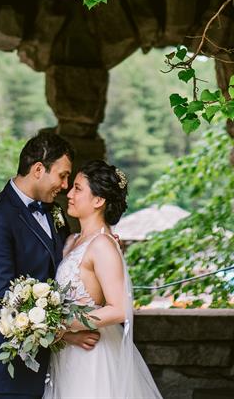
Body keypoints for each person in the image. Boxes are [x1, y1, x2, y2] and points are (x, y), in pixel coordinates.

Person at [0, 131, 100, 399]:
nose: (66, 185)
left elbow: (65, 261)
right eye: (62, 175)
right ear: (38, 169)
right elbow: (1, 298)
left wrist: (99, 242)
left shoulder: (54, 211)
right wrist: (66, 335)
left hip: (52, 367)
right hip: (9, 369)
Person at [43, 160, 163, 399]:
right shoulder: (70, 240)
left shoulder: (103, 246)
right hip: (67, 350)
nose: (69, 193)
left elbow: (119, 310)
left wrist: (64, 323)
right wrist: (62, 332)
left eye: (78, 188)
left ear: (98, 201)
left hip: (92, 355)